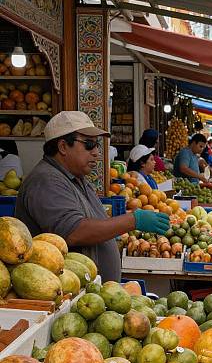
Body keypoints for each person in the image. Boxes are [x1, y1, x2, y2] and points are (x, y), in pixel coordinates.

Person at [15, 111, 170, 282]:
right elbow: (74, 232)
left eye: (96, 144)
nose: (96, 152)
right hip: (71, 298)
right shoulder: (46, 181)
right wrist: (133, 220)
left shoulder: (75, 177)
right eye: (89, 144)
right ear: (63, 147)